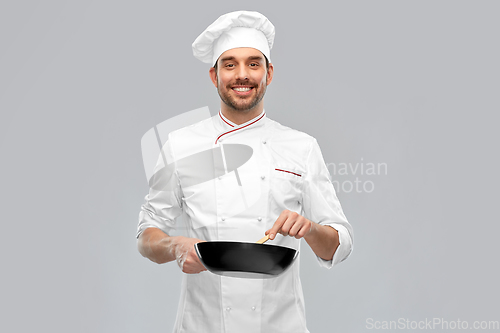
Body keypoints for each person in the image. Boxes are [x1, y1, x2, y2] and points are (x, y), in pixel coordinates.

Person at [137, 10, 353, 333]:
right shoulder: (180, 145)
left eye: (254, 64)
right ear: (214, 76)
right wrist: (175, 246)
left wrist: (309, 229)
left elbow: (340, 244)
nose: (243, 75)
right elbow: (146, 235)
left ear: (269, 73)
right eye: (230, 64)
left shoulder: (301, 147)